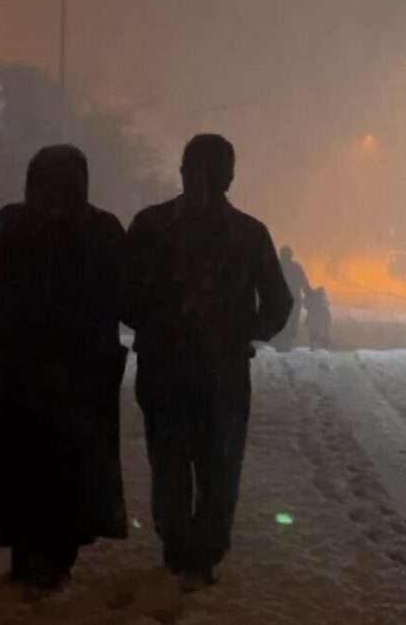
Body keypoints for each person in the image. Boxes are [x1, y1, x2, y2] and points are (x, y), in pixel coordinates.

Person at [0, 145, 129, 591]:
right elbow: (121, 295)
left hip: (12, 372)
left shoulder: (13, 226)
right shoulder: (100, 230)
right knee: (67, 468)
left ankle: (24, 550)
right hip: (77, 376)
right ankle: (55, 555)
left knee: (17, 462)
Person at [123, 134, 293, 585]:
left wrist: (156, 326)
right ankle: (205, 551)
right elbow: (278, 302)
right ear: (230, 177)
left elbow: (121, 293)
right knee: (220, 464)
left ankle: (176, 545)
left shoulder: (150, 225)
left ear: (182, 170)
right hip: (223, 372)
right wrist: (243, 333)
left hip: (163, 367)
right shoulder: (250, 234)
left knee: (170, 461)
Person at [272, 245, 312, 352]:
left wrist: (309, 293)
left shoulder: (276, 266)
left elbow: (304, 282)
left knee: (285, 323)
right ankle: (285, 344)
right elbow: (304, 283)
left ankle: (282, 344)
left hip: (283, 301)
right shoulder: (293, 267)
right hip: (289, 301)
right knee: (290, 323)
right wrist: (309, 293)